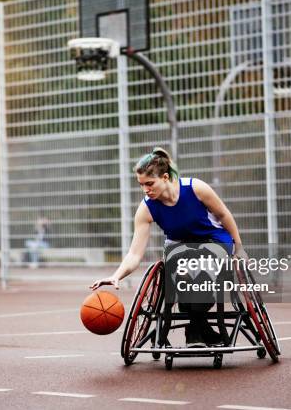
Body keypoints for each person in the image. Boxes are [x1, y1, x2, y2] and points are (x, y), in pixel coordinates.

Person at [90, 147, 247, 347]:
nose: (145, 190)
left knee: (203, 270)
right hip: (180, 244)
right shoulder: (146, 208)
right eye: (141, 185)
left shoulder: (195, 188)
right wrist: (116, 275)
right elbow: (134, 253)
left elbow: (224, 215)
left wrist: (239, 248)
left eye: (149, 183)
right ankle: (200, 328)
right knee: (180, 272)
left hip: (213, 239)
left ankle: (195, 330)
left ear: (165, 177)